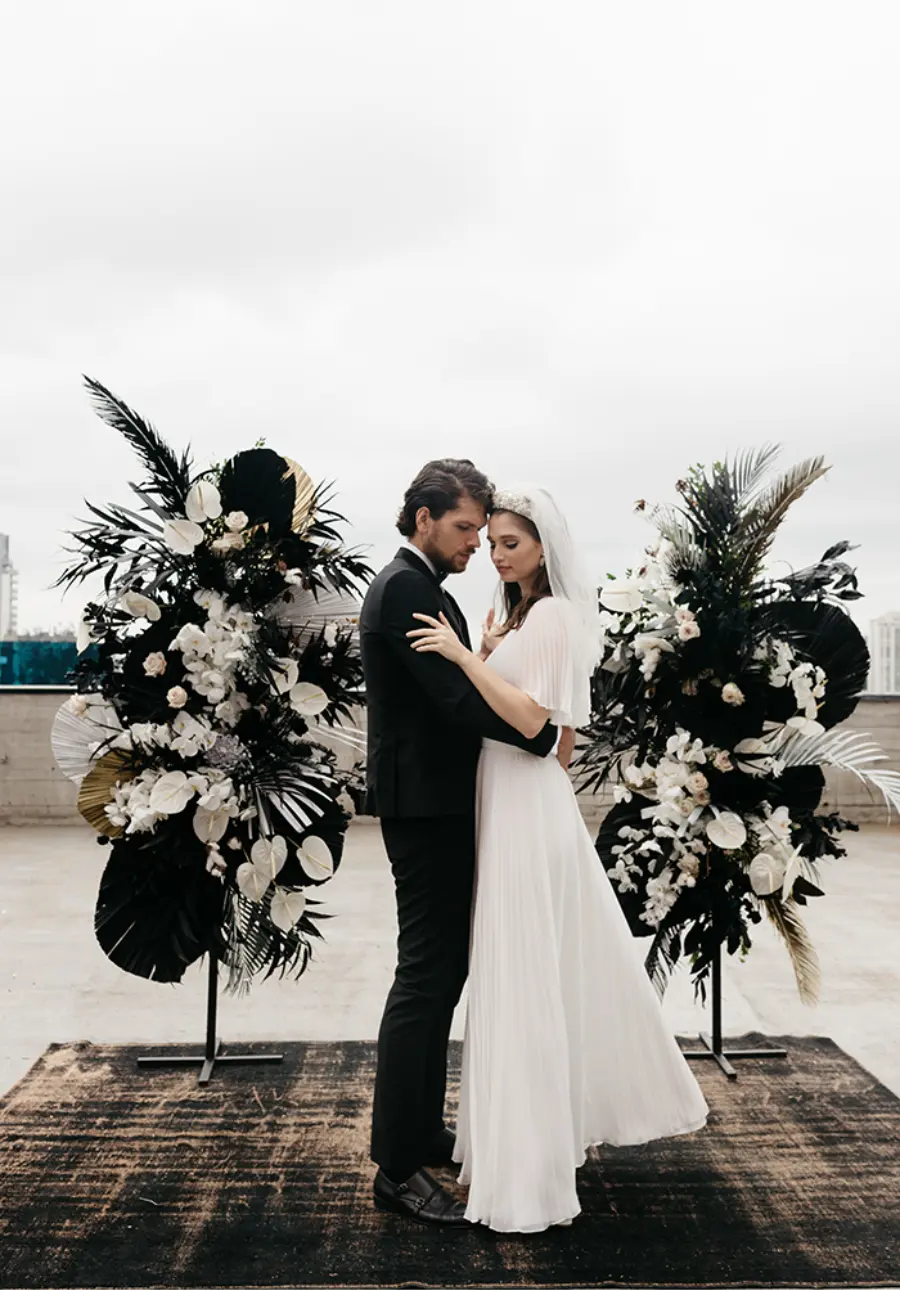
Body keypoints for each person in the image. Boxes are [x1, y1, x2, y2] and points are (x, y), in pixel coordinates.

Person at [407, 484, 709, 1234]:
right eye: (494, 542)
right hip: (506, 798)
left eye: (511, 543)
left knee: (522, 970)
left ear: (544, 546)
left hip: (524, 801)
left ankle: (528, 1170)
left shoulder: (551, 614)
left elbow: (541, 726)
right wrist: (484, 652)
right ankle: (516, 1144)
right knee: (513, 970)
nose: (498, 555)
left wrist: (462, 660)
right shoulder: (519, 617)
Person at [359, 460, 560, 1228]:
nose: (478, 544)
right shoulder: (407, 588)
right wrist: (539, 736)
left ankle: (417, 1129)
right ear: (422, 518)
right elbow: (450, 701)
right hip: (428, 807)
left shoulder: (421, 586)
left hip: (439, 804)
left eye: (484, 530)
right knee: (425, 976)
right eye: (466, 527)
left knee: (443, 972)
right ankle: (396, 1167)